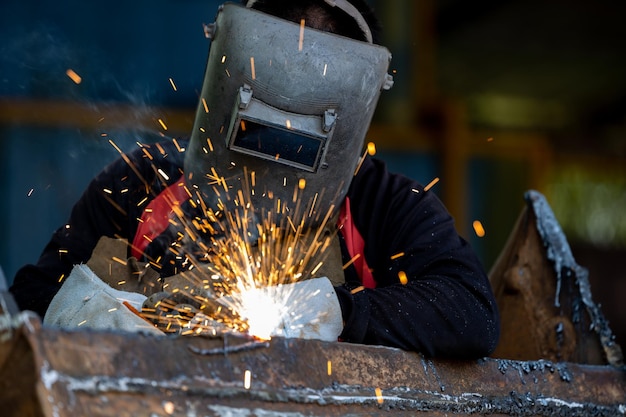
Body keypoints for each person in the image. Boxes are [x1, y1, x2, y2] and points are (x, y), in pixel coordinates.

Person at [9, 0, 500, 359]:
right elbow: (30, 298)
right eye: (257, 132)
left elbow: (471, 311)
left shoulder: (385, 203)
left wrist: (325, 310)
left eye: (300, 140)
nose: (274, 160)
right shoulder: (142, 182)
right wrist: (109, 318)